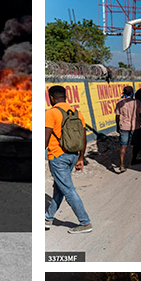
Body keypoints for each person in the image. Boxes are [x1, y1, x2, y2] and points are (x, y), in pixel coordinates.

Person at [45, 85, 93, 234]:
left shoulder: (51, 113)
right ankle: (48, 218)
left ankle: (85, 223)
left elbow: (45, 139)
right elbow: (83, 138)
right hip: (73, 155)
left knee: (68, 189)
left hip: (57, 156)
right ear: (66, 97)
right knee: (59, 187)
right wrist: (80, 158)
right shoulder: (77, 113)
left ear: (51, 98)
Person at [113, 85, 141, 173]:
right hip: (135, 126)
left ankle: (121, 165)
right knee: (135, 144)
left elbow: (117, 116)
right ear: (132, 93)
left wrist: (117, 126)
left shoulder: (120, 103)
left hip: (123, 126)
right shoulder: (137, 102)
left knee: (123, 145)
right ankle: (133, 159)